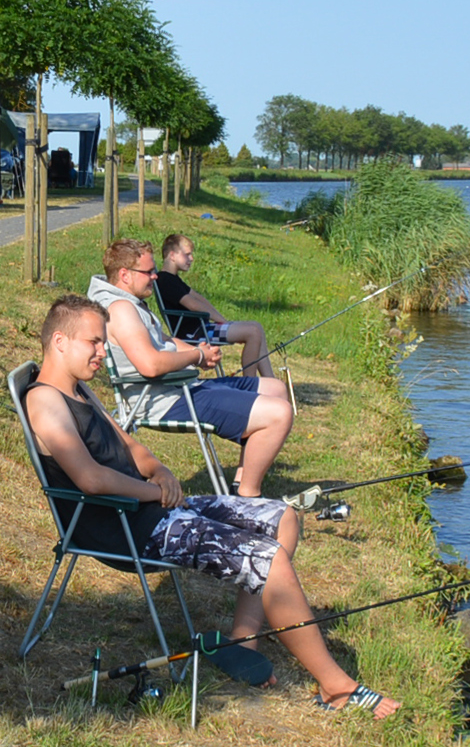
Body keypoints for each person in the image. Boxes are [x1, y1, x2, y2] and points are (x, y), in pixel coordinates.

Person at [25, 294, 396, 716]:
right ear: (59, 341)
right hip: (126, 528)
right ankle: (337, 687)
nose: (102, 351)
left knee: (283, 518)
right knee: (268, 559)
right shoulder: (45, 401)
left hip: (151, 511)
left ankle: (242, 641)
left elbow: (130, 445)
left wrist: (160, 471)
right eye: (93, 342)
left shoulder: (79, 390)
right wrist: (152, 492)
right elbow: (89, 478)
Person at [87, 237, 294, 499]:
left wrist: (200, 353)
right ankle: (248, 497)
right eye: (148, 272)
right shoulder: (121, 310)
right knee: (280, 413)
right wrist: (196, 355)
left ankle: (239, 484)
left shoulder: (129, 302)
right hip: (164, 399)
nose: (154, 277)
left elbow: (163, 340)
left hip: (179, 387)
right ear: (125, 274)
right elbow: (150, 365)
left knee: (275, 388)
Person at [154, 231, 269, 374]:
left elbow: (199, 298)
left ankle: (270, 379)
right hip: (195, 334)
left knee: (257, 328)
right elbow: (194, 305)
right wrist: (222, 321)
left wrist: (222, 320)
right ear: (172, 255)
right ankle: (250, 384)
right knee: (253, 331)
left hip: (203, 328)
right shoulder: (165, 280)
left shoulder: (173, 279)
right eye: (187, 254)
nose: (192, 258)